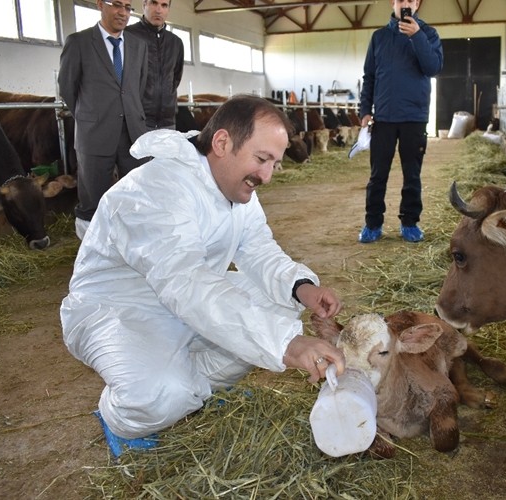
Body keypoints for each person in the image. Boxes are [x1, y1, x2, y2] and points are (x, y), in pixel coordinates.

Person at [60, 95, 346, 458]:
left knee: (277, 306)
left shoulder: (233, 184)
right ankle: (121, 416)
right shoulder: (156, 190)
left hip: (186, 303)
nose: (267, 176)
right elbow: (187, 282)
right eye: (262, 159)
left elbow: (258, 248)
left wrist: (302, 287)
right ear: (222, 143)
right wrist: (287, 345)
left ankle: (194, 390)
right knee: (160, 395)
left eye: (274, 163)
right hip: (120, 310)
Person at [58, 0, 149, 240]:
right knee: (92, 200)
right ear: (100, 4)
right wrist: (91, 117)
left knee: (136, 193)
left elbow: (138, 86)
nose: (123, 13)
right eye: (117, 5)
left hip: (133, 132)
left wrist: (128, 111)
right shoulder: (78, 42)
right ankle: (93, 254)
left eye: (128, 7)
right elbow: (68, 88)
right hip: (95, 133)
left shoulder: (139, 45)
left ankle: (132, 249)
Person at [357, 0, 443, 243]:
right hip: (383, 118)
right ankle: (373, 224)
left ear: (417, 4)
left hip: (414, 118)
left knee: (412, 175)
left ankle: (410, 223)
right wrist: (365, 110)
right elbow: (370, 76)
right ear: (393, 3)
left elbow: (433, 68)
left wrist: (417, 36)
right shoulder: (379, 37)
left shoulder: (428, 34)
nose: (405, 3)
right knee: (377, 175)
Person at [126, 0, 185, 130]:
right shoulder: (128, 36)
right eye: (154, 3)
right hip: (138, 121)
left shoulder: (175, 43)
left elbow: (175, 78)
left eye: (164, 5)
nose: (158, 10)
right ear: (144, 5)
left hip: (167, 122)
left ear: (168, 9)